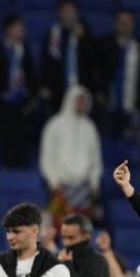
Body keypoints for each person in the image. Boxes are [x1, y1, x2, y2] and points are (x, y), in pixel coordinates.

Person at [39, 85, 102, 218]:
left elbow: (95, 158)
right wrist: (53, 182)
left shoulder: (90, 127)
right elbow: (47, 158)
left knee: (82, 230)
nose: (81, 104)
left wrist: (94, 182)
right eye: (78, 100)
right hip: (60, 187)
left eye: (83, 100)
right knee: (59, 228)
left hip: (84, 188)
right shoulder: (54, 124)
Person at [0, 15, 37, 168]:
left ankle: (21, 168)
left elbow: (31, 75)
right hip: (3, 101)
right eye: (17, 28)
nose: (21, 31)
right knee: (5, 137)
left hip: (21, 100)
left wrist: (32, 97)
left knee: (22, 136)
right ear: (7, 30)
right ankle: (6, 169)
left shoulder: (25, 50)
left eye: (21, 28)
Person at [97, 10, 140, 145]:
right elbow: (98, 71)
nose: (125, 26)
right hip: (109, 107)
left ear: (133, 25)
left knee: (129, 153)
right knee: (107, 147)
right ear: (116, 24)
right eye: (121, 23)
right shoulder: (105, 45)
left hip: (133, 108)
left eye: (128, 23)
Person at [39, 0, 97, 105]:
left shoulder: (85, 33)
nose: (68, 15)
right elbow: (47, 62)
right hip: (59, 90)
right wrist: (45, 85)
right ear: (59, 13)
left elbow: (93, 60)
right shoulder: (54, 34)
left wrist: (83, 38)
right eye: (65, 11)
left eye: (71, 12)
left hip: (81, 90)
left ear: (76, 13)